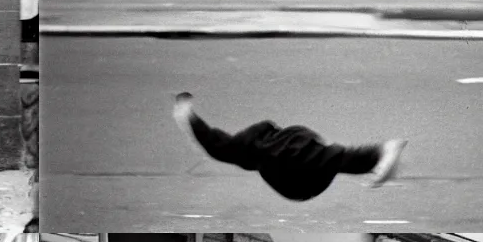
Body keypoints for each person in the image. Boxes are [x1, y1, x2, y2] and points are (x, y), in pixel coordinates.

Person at [174, 93, 406, 201]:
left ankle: (379, 153)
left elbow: (216, 146)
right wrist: (189, 117)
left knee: (317, 158)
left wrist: (189, 117)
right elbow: (216, 146)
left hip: (297, 177)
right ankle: (378, 154)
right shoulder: (259, 149)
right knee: (322, 159)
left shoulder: (257, 149)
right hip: (298, 178)